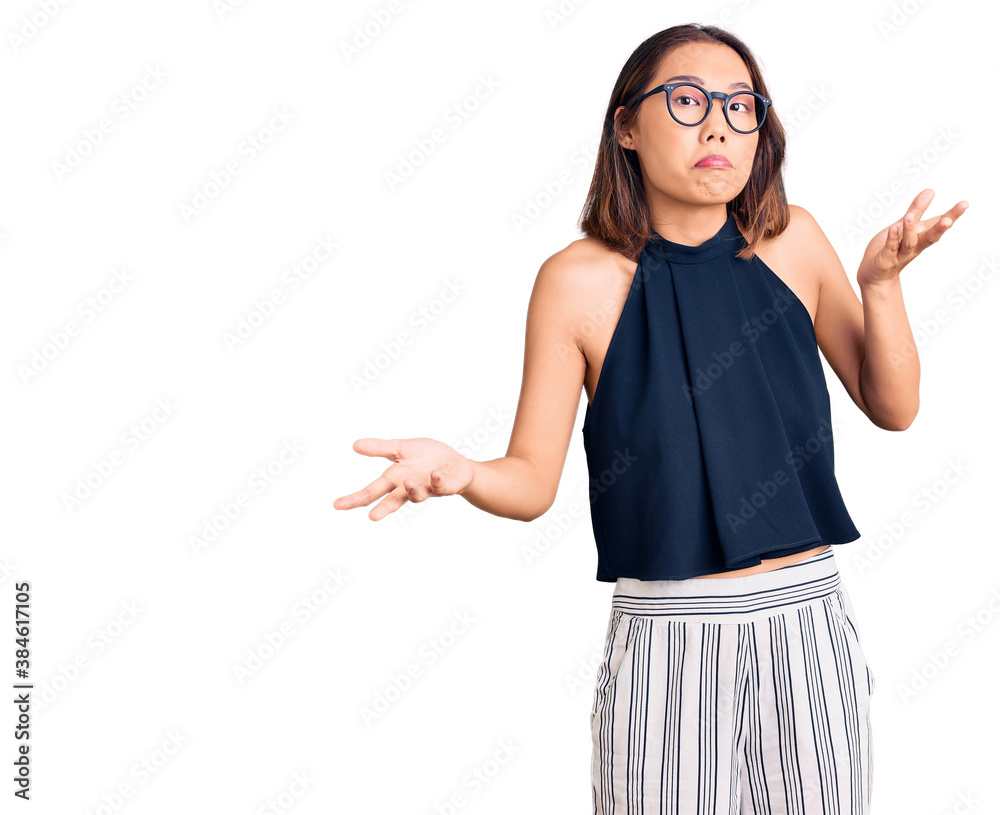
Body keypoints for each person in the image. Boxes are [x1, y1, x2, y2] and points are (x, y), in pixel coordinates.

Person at [334, 23, 967, 815]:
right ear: (627, 126)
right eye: (689, 100)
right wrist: (461, 473)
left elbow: (894, 407)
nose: (718, 127)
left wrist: (881, 286)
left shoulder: (794, 240)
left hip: (807, 621)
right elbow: (531, 480)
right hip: (669, 635)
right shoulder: (575, 281)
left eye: (742, 108)